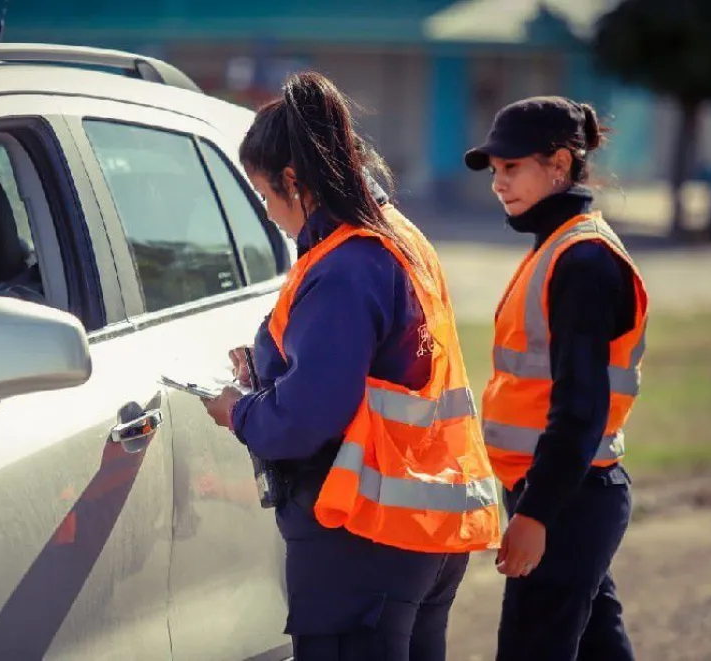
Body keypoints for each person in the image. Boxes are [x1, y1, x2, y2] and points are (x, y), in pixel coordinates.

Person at [200, 71, 501, 661]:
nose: (269, 213)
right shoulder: (397, 237)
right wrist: (269, 369)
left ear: (293, 181)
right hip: (422, 525)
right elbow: (379, 367)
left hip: (362, 534)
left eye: (265, 195)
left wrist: (238, 411)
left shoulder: (345, 265)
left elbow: (306, 418)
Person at [464, 96, 649, 661]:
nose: (499, 183)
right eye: (494, 170)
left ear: (560, 165)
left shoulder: (583, 262)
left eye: (512, 167)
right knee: (597, 648)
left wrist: (536, 513)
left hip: (568, 500)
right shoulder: (560, 246)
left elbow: (580, 407)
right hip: (569, 492)